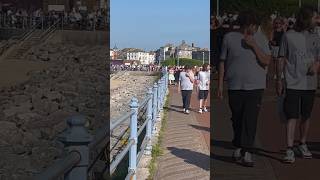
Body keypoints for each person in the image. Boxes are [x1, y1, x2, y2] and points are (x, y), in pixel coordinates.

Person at [217, 10, 271, 167]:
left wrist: (254, 45)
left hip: (255, 87)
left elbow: (266, 60)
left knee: (250, 119)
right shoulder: (229, 38)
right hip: (235, 86)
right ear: (246, 25)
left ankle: (247, 152)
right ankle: (239, 145)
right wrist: (220, 84)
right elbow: (222, 61)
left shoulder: (261, 38)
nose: (254, 29)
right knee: (237, 118)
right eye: (253, 26)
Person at [277, 6, 320, 163]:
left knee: (306, 116)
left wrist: (316, 65)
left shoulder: (317, 35)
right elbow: (281, 57)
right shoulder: (288, 36)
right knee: (291, 116)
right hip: (293, 82)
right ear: (306, 19)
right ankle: (289, 149)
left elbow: (319, 57)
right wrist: (279, 79)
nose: (318, 21)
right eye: (315, 18)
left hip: (310, 83)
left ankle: (302, 143)